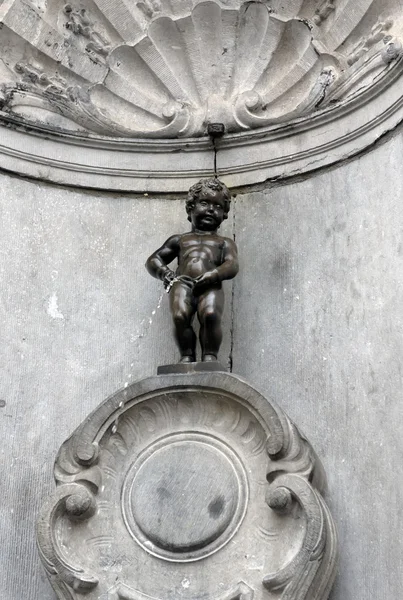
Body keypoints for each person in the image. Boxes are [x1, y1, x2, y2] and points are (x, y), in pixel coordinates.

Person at [145, 178, 239, 363]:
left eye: (218, 206)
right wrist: (165, 273)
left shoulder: (224, 242)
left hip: (211, 284)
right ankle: (187, 355)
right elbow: (154, 260)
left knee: (211, 315)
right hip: (183, 283)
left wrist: (214, 274)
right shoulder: (179, 240)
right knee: (180, 316)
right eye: (204, 203)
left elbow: (232, 264)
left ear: (224, 214)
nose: (211, 209)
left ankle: (210, 355)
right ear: (190, 208)